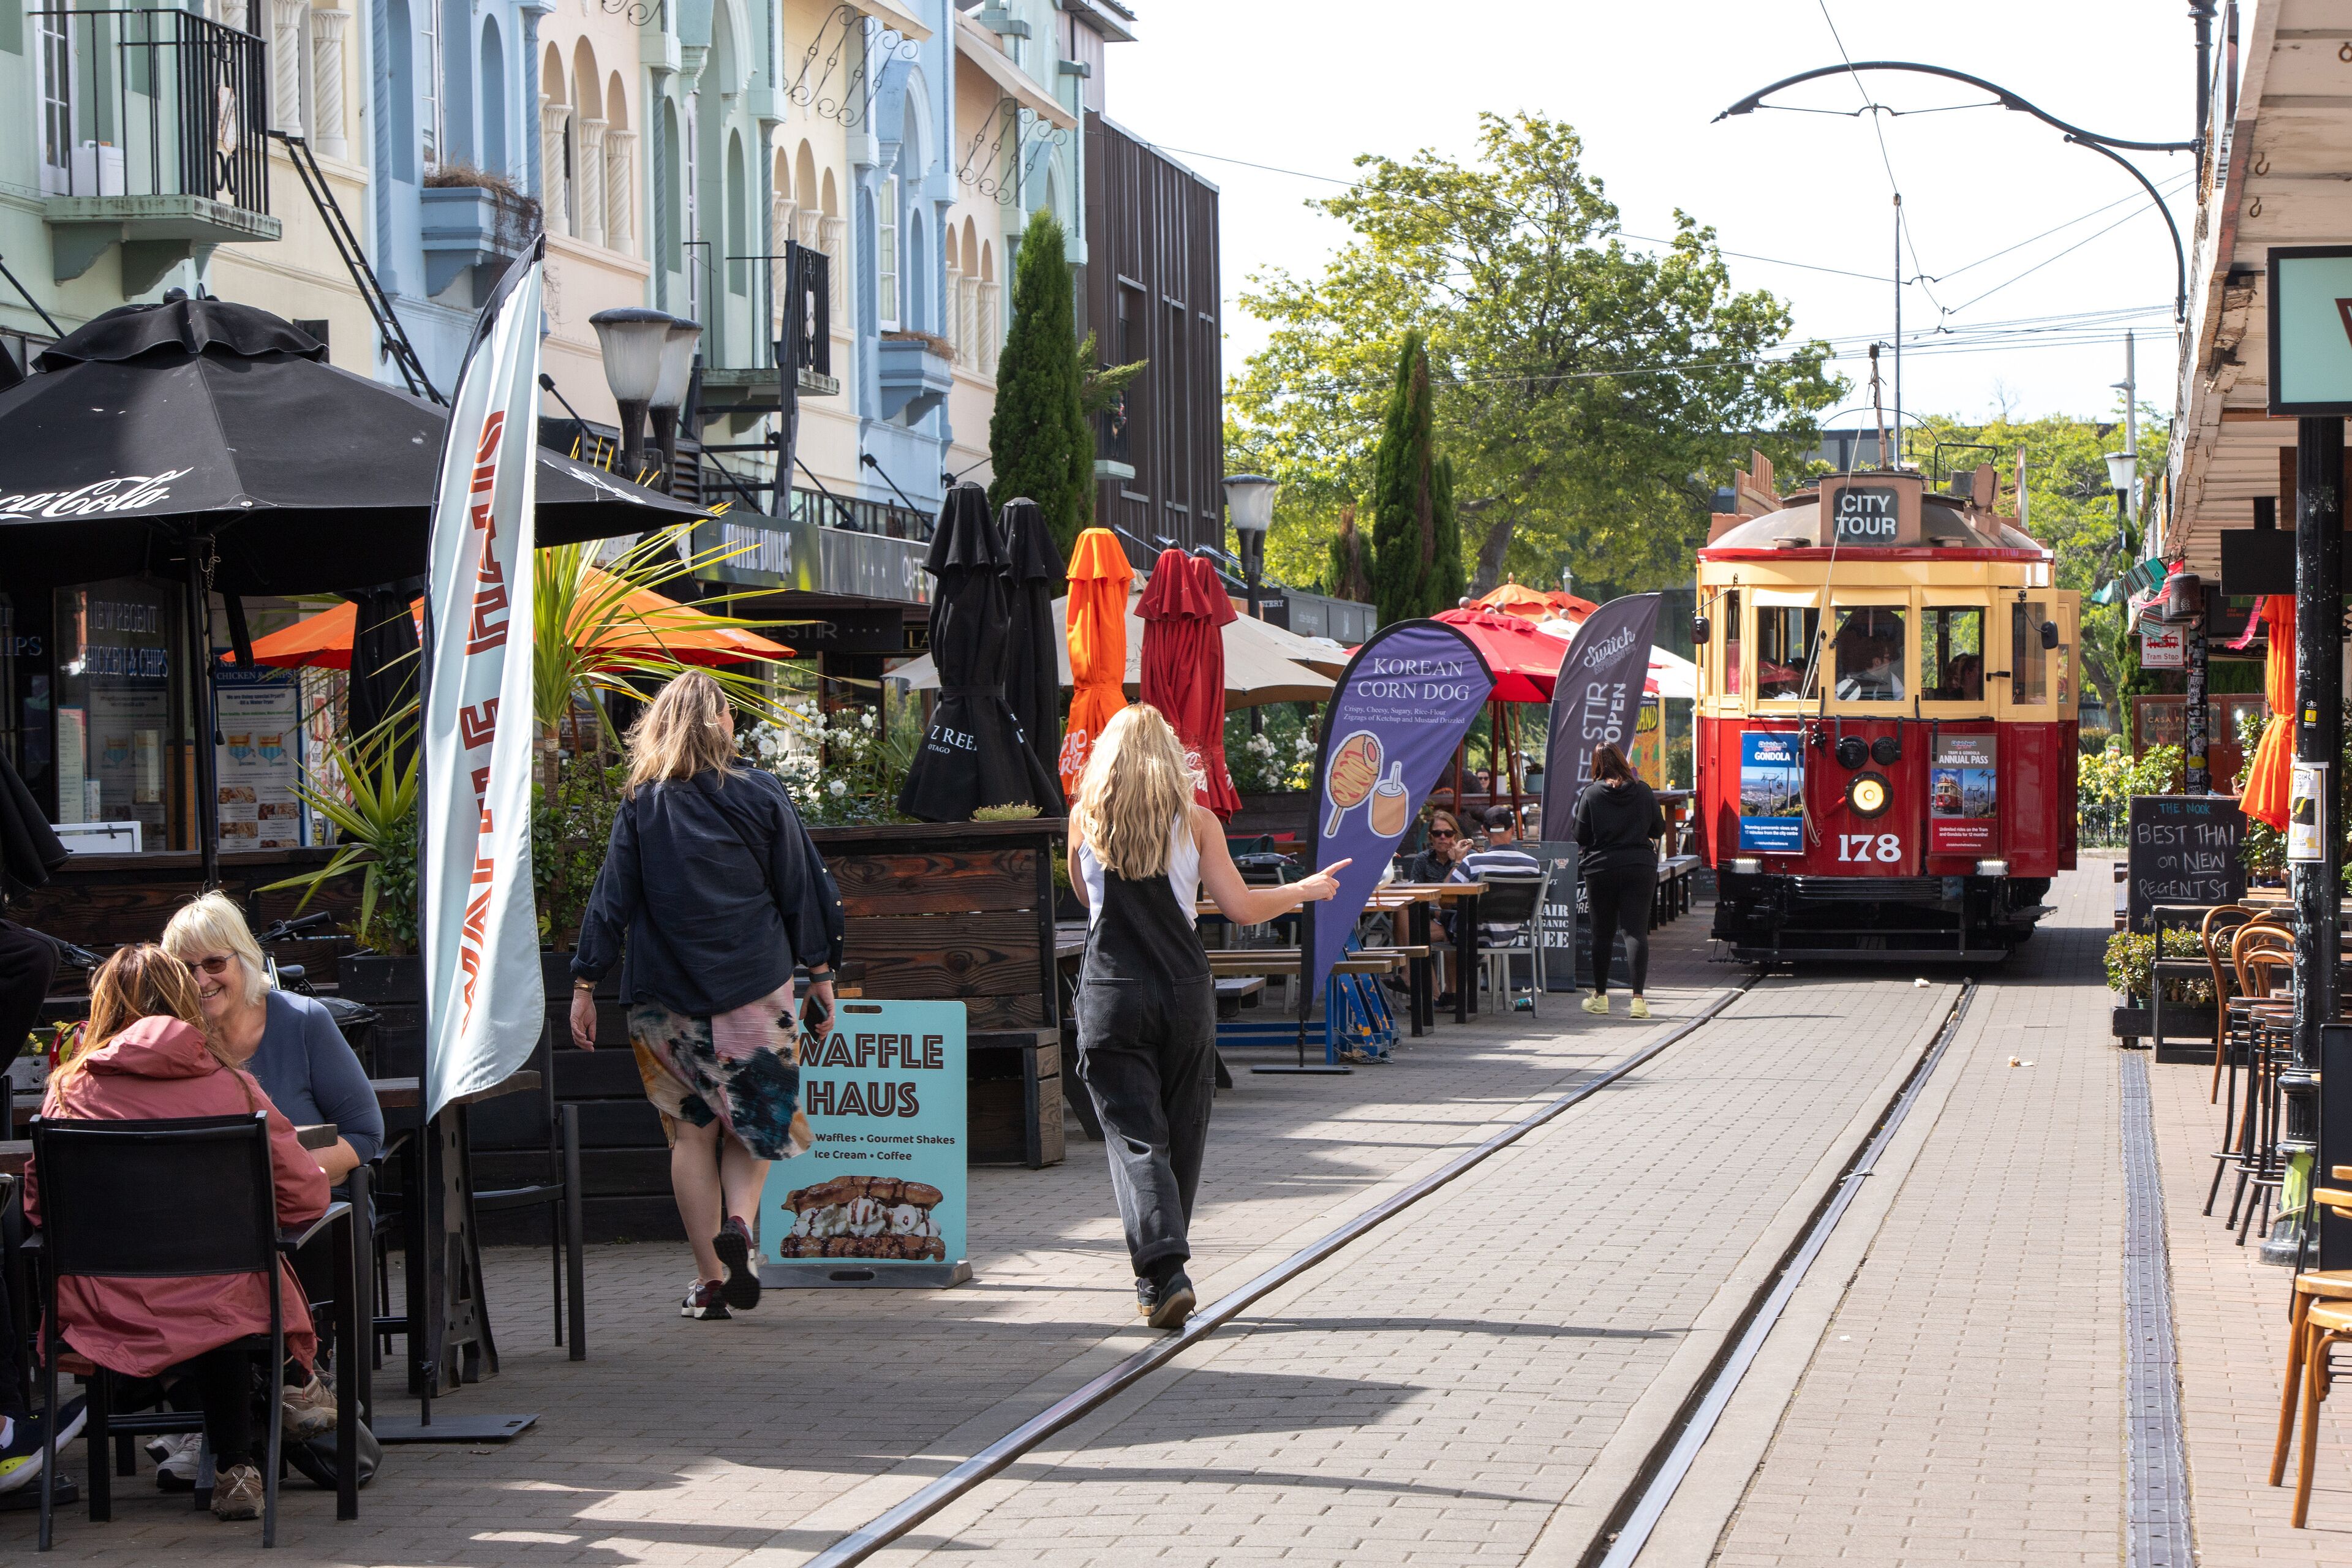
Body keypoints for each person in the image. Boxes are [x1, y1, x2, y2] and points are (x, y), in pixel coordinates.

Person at [24, 946, 334, 1521]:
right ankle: (246, 1451)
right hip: (221, 1307)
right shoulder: (234, 1088)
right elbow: (307, 1197)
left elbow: (41, 1210)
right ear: (183, 1001)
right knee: (221, 1290)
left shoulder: (68, 1091)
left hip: (103, 1307)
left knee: (194, 1292)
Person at [570, 671, 843, 1323]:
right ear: (720, 723)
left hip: (665, 1001)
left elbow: (612, 899)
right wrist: (823, 972)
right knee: (754, 1121)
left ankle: (710, 1279)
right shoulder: (762, 793)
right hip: (755, 987)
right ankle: (743, 1226)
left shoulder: (642, 803)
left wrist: (584, 983)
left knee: (690, 1135)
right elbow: (802, 885)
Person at [1068, 705, 1349, 1332]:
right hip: (1183, 989)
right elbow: (1243, 908)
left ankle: (1163, 1269)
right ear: (1172, 760)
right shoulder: (1199, 823)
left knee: (1135, 1134)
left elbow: (1088, 901)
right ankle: (1162, 1272)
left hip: (1112, 990)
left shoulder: (1083, 821)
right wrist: (1303, 889)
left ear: (1106, 761)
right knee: (1183, 1127)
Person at [161, 892, 385, 1184]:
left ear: (244, 958)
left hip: (312, 1206)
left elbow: (365, 1134)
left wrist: (274, 1179)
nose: (201, 981)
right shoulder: (167, 1035)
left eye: (214, 964)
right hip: (206, 1205)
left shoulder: (303, 1020)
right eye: (185, 968)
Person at [1573, 744, 1667, 1020]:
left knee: (1602, 933)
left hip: (1601, 868)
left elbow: (1581, 835)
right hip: (1639, 866)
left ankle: (1601, 998)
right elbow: (1659, 829)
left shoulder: (1591, 793)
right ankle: (1638, 1000)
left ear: (1597, 765)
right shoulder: (1643, 790)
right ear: (1623, 762)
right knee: (1635, 932)